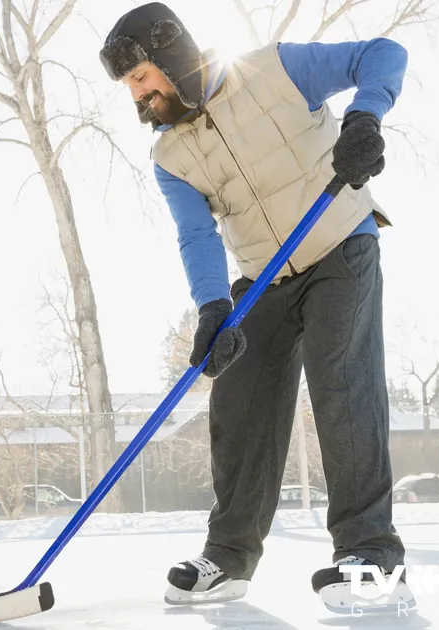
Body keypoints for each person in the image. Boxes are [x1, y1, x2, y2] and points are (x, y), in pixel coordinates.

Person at [99, 2, 413, 614]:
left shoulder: (274, 69)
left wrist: (365, 119)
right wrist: (214, 308)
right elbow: (196, 235)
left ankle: (371, 556)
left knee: (341, 387)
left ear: (170, 56)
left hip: (340, 244)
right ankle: (229, 558)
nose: (136, 94)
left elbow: (383, 54)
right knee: (239, 404)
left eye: (139, 77)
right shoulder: (170, 156)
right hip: (261, 276)